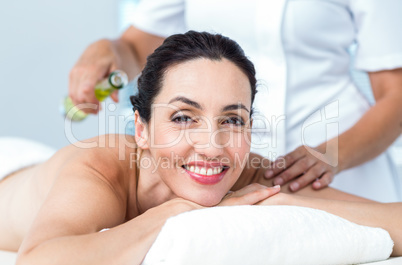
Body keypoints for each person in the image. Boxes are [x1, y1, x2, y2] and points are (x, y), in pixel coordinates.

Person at [1, 31, 401, 265]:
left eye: (232, 120)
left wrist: (281, 205)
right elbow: (39, 262)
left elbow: (390, 220)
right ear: (141, 128)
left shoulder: (252, 177)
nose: (212, 147)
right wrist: (177, 211)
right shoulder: (100, 169)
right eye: (182, 118)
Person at [68, 0, 402, 202]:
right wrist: (109, 49)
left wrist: (334, 155)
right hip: (219, 170)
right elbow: (135, 47)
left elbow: (396, 96)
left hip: (337, 161)